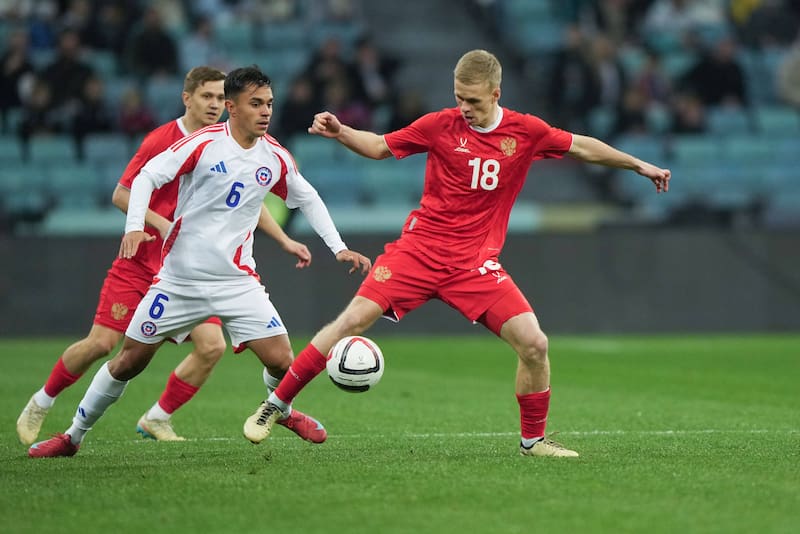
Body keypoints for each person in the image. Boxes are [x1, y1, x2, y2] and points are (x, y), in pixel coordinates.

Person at [242, 49, 671, 457]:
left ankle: (533, 441)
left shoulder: (525, 132)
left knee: (535, 344)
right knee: (351, 319)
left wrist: (638, 165)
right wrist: (342, 133)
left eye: (472, 99)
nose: (463, 106)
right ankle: (276, 404)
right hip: (419, 252)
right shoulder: (439, 125)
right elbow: (378, 147)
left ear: (496, 94)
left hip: (475, 266)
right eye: (458, 97)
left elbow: (582, 146)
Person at [28, 65, 371, 458]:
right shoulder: (204, 144)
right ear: (232, 107)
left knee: (282, 360)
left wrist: (337, 246)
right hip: (179, 282)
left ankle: (283, 410)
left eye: (269, 104)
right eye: (255, 104)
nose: (265, 112)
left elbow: (306, 197)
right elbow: (145, 179)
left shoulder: (274, 156)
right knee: (127, 362)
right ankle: (72, 436)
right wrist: (136, 226)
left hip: (237, 282)